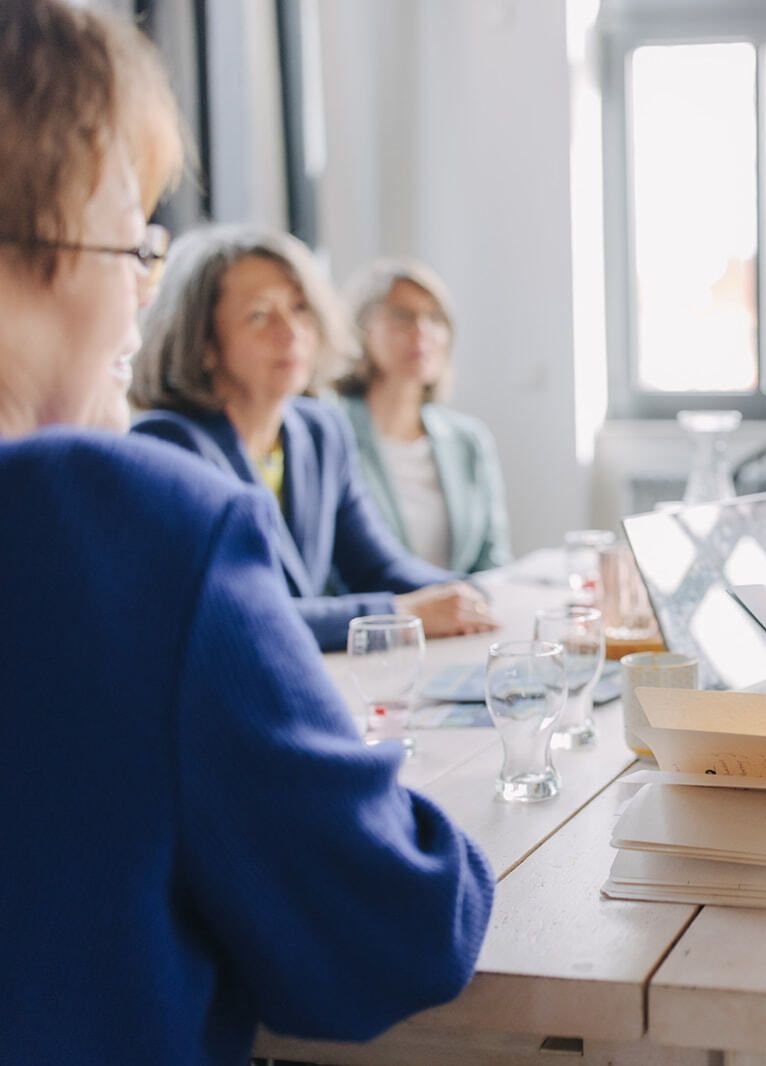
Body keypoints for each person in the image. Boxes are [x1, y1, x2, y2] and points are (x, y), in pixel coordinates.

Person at [0, 3, 493, 1063]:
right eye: (136, 239)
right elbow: (396, 931)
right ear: (47, 235)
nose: (142, 286)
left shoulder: (299, 442)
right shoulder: (133, 519)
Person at [129, 225, 498, 651]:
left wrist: (467, 594)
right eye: (260, 315)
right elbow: (238, 612)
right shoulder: (168, 445)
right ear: (203, 343)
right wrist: (403, 614)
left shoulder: (320, 429)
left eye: (300, 308)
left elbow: (377, 566)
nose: (291, 332)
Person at [333, 258, 513, 574]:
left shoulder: (469, 439)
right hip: (378, 619)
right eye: (402, 316)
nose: (421, 331)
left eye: (434, 318)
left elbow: (493, 561)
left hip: (463, 617)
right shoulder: (332, 432)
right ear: (362, 328)